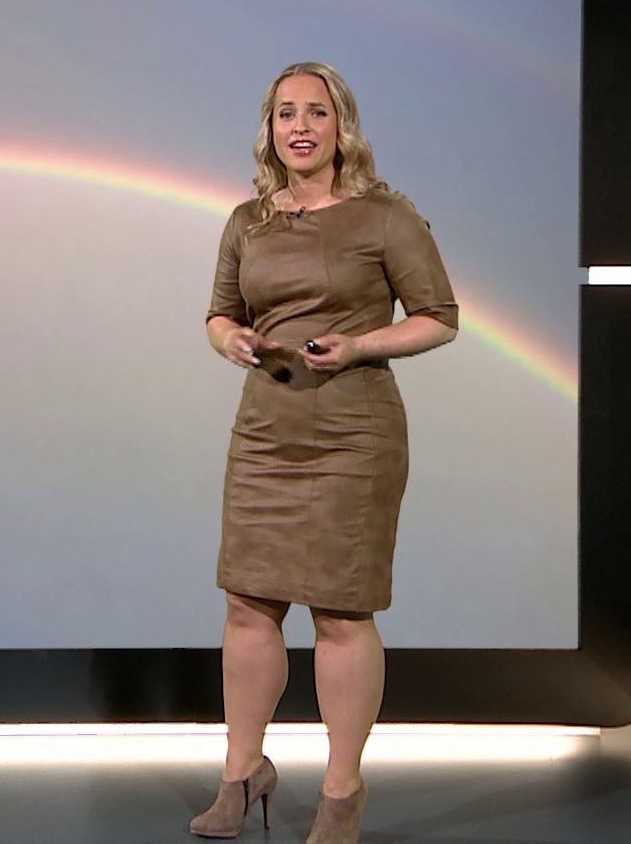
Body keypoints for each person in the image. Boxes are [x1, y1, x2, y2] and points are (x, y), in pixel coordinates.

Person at [190, 62, 460, 843]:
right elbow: (218, 314)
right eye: (286, 113)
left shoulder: (385, 217)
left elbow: (439, 317)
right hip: (266, 432)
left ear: (342, 126)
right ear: (269, 129)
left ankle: (342, 791)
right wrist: (230, 340)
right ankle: (242, 773)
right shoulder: (248, 221)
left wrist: (360, 345)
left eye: (316, 112)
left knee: (341, 610)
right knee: (248, 602)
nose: (300, 127)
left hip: (353, 434)